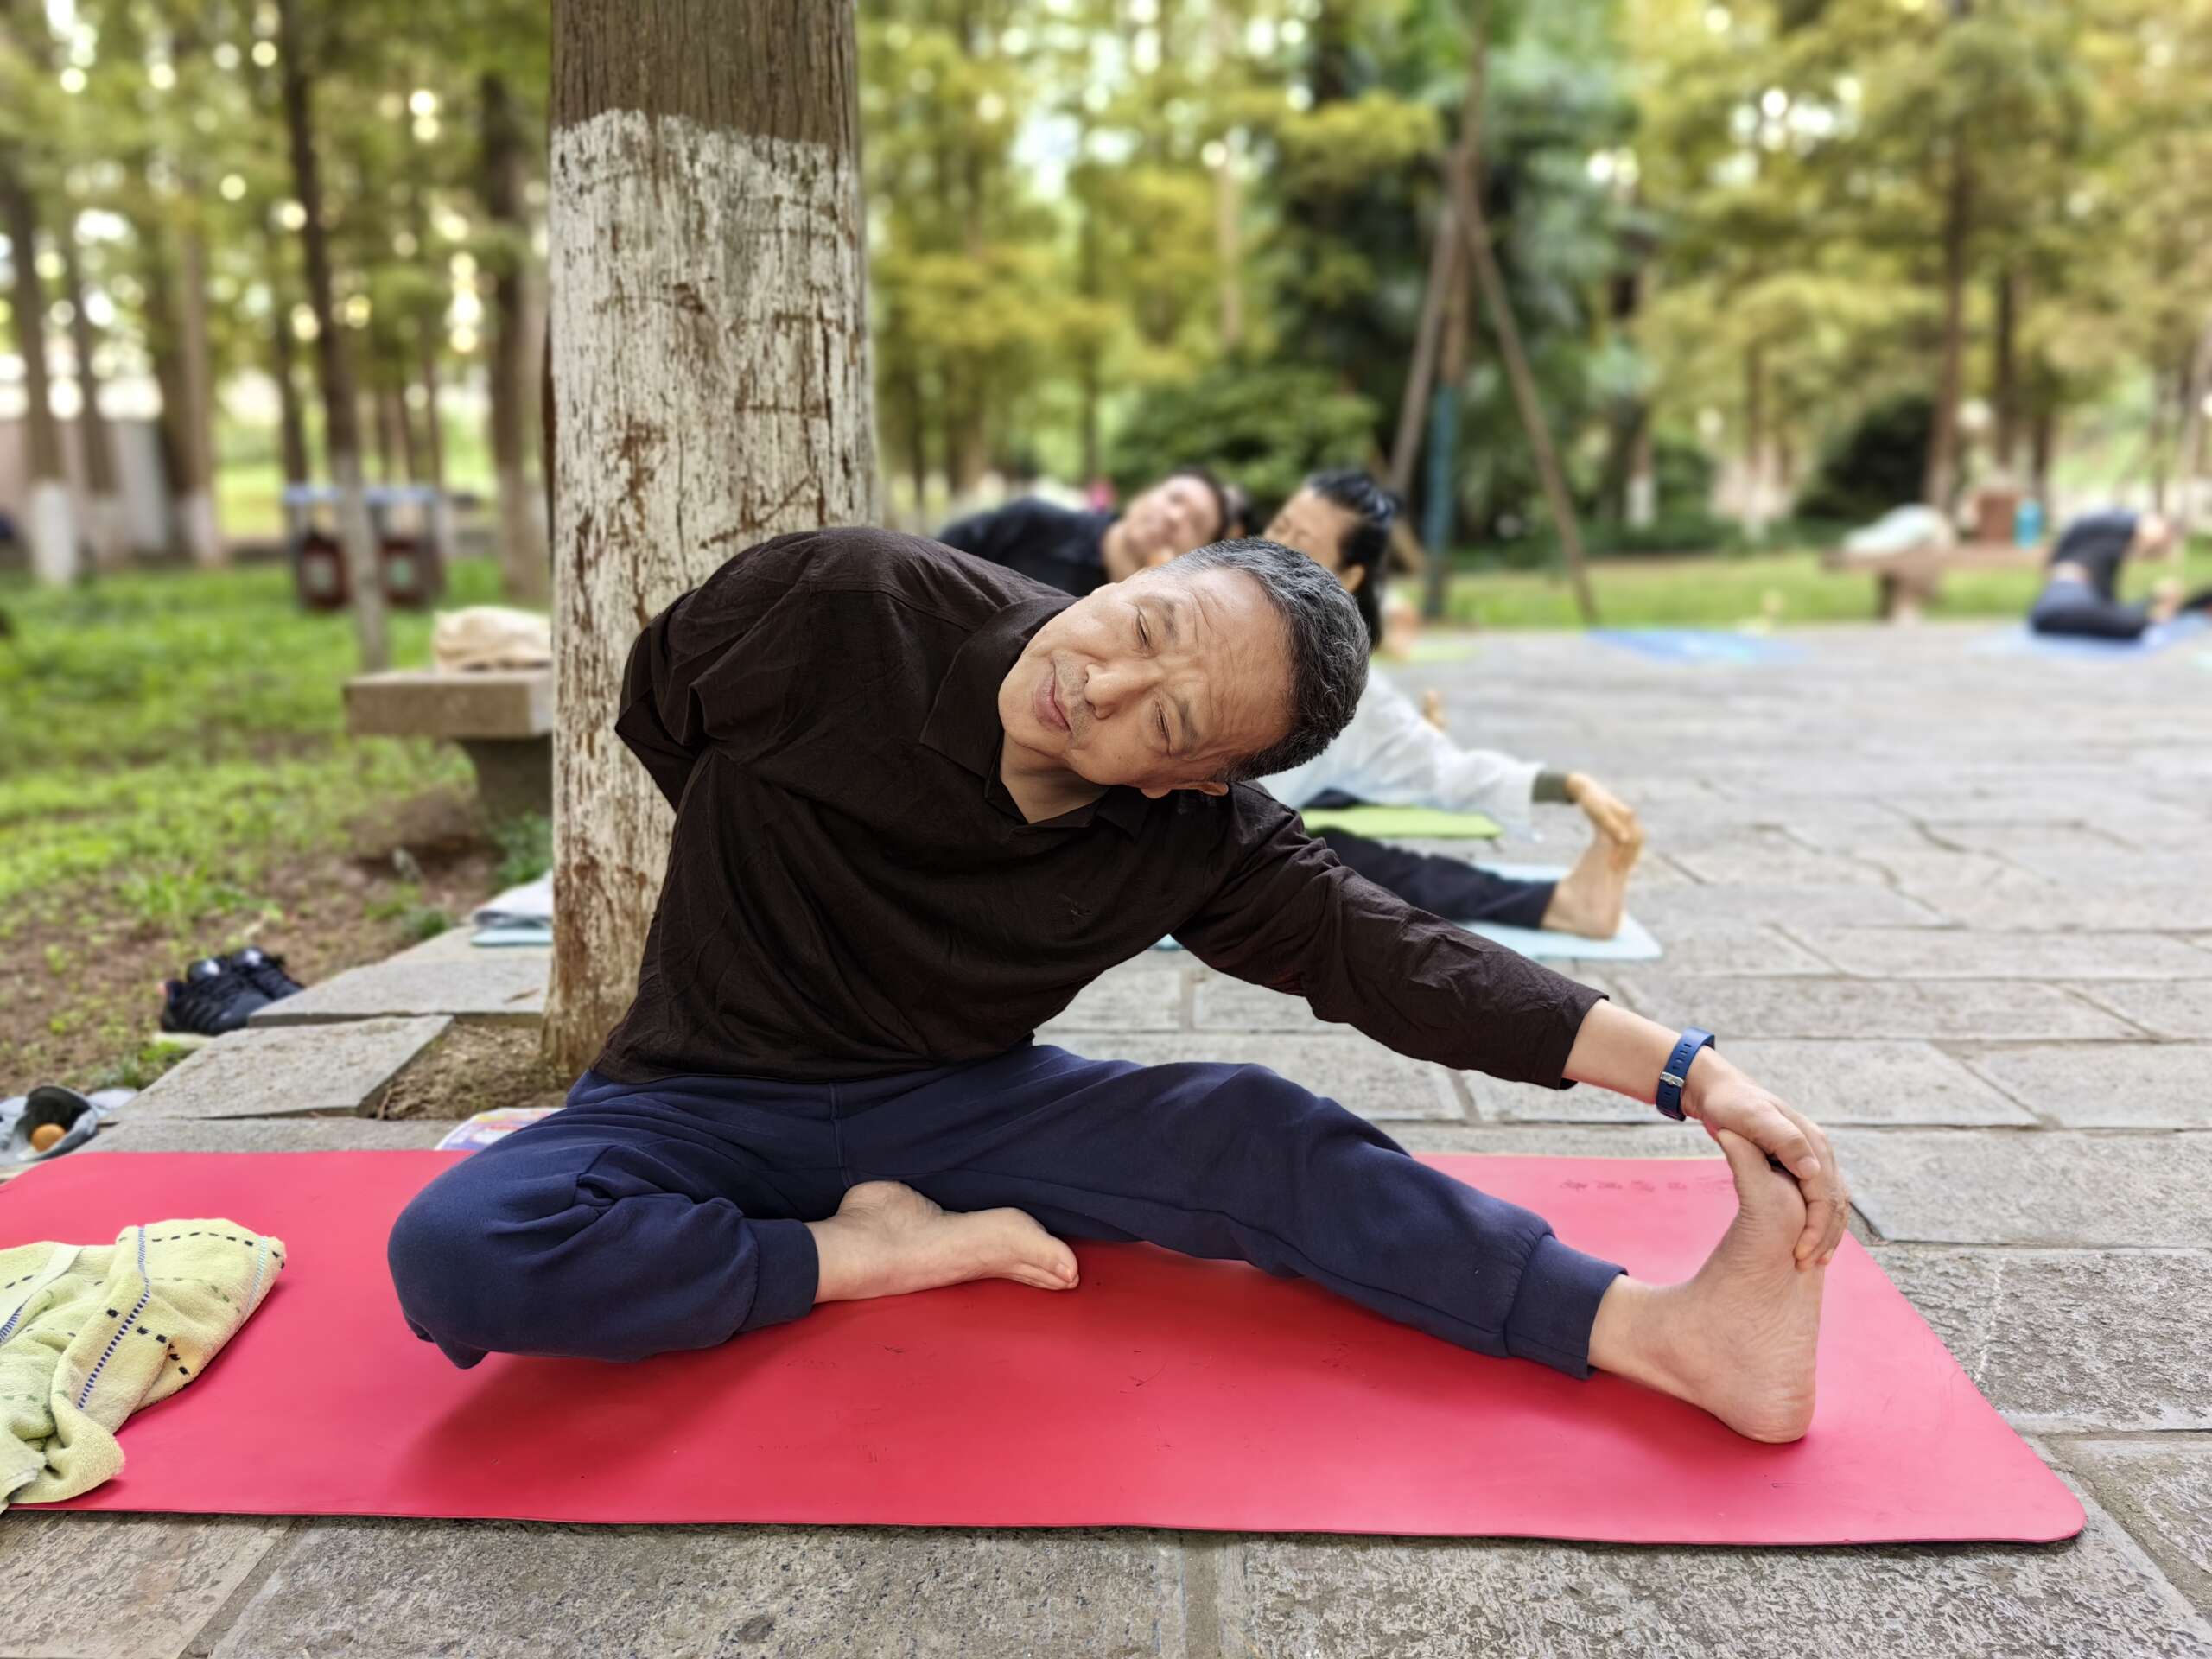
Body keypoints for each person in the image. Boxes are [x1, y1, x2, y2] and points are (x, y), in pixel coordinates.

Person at [388, 527, 1845, 1443]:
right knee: (462, 1246)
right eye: (1141, 628)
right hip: (693, 1093)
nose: (1102, 685)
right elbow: (665, 708)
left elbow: (1396, 959)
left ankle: (1662, 1334)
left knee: (1253, 1129)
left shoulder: (1196, 840)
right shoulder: (835, 607)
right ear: (1133, 576)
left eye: (1173, 715)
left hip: (953, 1106)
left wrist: (1690, 1073)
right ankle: (869, 1249)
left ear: (1198, 777)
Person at [1258, 469, 1643, 939]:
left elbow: (1451, 773)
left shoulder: (1350, 692)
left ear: (1347, 577)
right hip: (1189, 830)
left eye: (1302, 542)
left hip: (1230, 833)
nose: (1276, 548)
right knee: (1298, 841)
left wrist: (1570, 786)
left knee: (1321, 854)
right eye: (1280, 527)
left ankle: (1562, 905)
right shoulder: (1203, 602)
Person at [936, 467, 1245, 596]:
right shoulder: (1032, 522)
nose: (1175, 517)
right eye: (1174, 498)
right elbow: (929, 562)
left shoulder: (1155, 626)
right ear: (1142, 496)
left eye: (1196, 523)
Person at [2028, 509, 2210, 641]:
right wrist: (2137, 520)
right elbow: (2087, 522)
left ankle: (2156, 616)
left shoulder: (2110, 556)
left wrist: (2153, 599)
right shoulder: (2095, 542)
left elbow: (2111, 609)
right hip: (2062, 603)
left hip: (2068, 608)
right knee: (2131, 624)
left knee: (2130, 623)